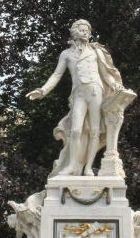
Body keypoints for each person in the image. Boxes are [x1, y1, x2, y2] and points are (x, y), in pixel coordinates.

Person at [27, 19, 127, 176]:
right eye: (82, 30)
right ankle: (72, 166)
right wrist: (43, 90)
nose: (85, 32)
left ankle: (87, 168)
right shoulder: (66, 54)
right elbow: (56, 74)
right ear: (74, 33)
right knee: (75, 130)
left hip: (95, 91)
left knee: (95, 131)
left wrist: (114, 84)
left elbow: (105, 73)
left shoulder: (95, 52)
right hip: (79, 94)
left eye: (87, 30)